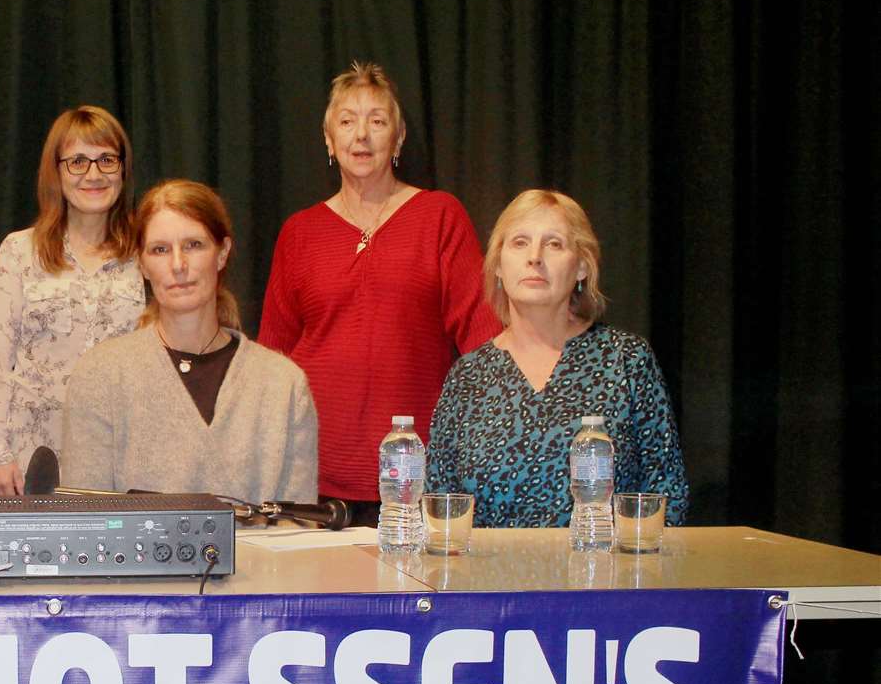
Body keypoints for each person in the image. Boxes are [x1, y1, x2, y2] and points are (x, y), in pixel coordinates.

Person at [259, 61, 499, 512]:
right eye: (347, 122)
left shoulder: (440, 216)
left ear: (399, 137)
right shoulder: (299, 232)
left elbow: (483, 344)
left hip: (417, 478)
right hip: (313, 480)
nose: (361, 135)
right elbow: (272, 360)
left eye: (377, 120)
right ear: (329, 141)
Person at [428, 189, 689, 526]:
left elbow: (667, 495)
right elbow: (439, 508)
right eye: (520, 242)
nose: (534, 257)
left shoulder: (626, 360)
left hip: (605, 575)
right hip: (489, 577)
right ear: (497, 266)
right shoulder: (468, 376)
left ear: (581, 266)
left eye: (554, 244)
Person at [61, 180, 317, 505]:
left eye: (194, 245)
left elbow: (299, 533)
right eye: (160, 250)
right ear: (141, 264)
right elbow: (87, 525)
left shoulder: (285, 385)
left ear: (222, 253)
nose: (178, 265)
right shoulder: (99, 376)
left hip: (262, 559)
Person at [0, 105, 146, 494]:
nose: (94, 174)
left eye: (106, 159)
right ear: (57, 172)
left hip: (122, 457)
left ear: (123, 168)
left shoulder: (146, 252)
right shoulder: (19, 252)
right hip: (31, 460)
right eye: (78, 162)